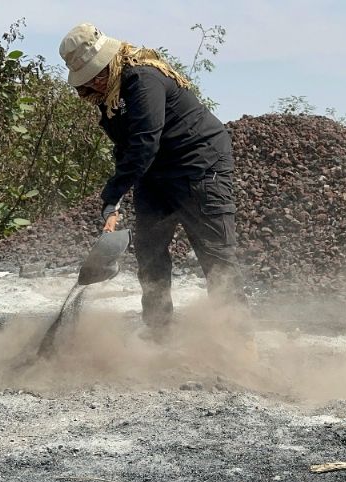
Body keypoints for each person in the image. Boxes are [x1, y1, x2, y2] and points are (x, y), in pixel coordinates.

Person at [59, 23, 253, 349]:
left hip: (199, 167)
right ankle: (158, 331)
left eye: (96, 73)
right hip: (156, 173)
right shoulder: (110, 95)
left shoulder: (141, 78)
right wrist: (114, 203)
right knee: (149, 253)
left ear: (109, 60)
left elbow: (146, 140)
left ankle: (239, 341)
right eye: (87, 77)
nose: (92, 81)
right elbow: (126, 147)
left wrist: (114, 190)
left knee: (216, 256)